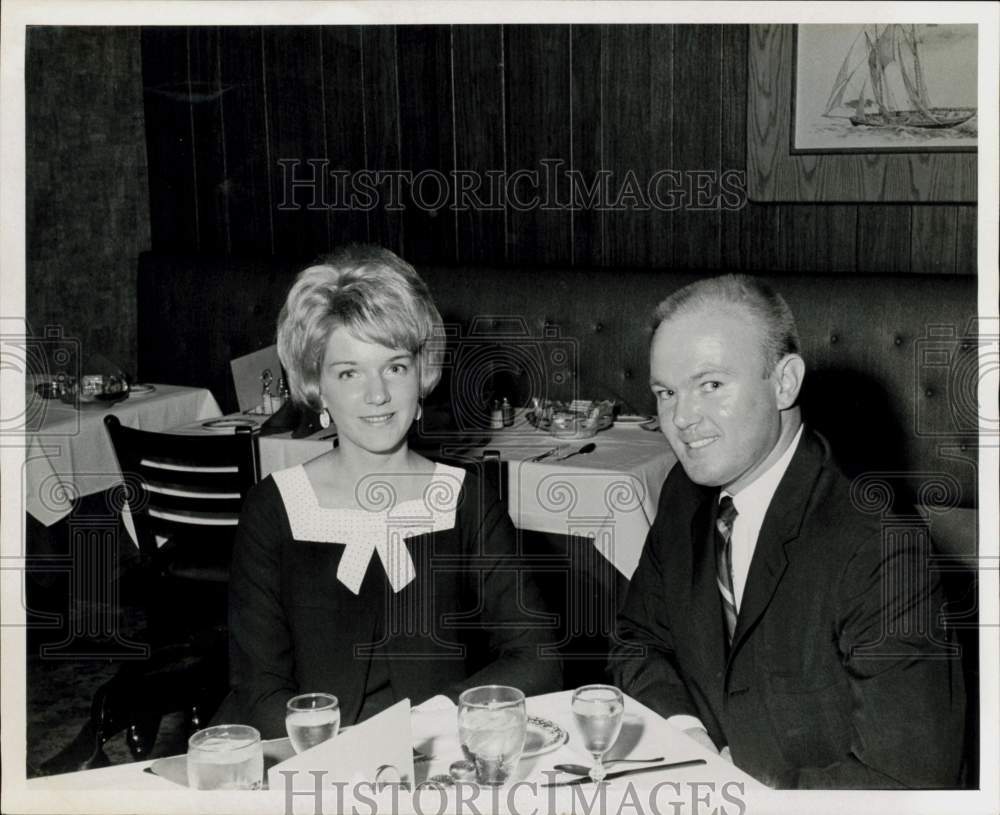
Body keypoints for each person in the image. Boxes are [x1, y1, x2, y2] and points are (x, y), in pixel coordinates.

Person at [609, 274, 965, 788]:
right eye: (666, 392)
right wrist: (688, 738)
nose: (681, 417)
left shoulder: (880, 545)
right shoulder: (683, 494)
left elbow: (909, 782)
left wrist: (747, 788)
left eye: (710, 384)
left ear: (784, 382)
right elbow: (639, 642)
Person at [225, 245, 561, 738]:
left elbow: (538, 658)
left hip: (439, 759)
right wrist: (339, 754)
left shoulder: (464, 498)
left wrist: (426, 726)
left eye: (395, 367)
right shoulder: (274, 508)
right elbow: (258, 690)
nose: (377, 394)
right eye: (349, 372)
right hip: (312, 765)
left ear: (421, 377)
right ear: (318, 388)